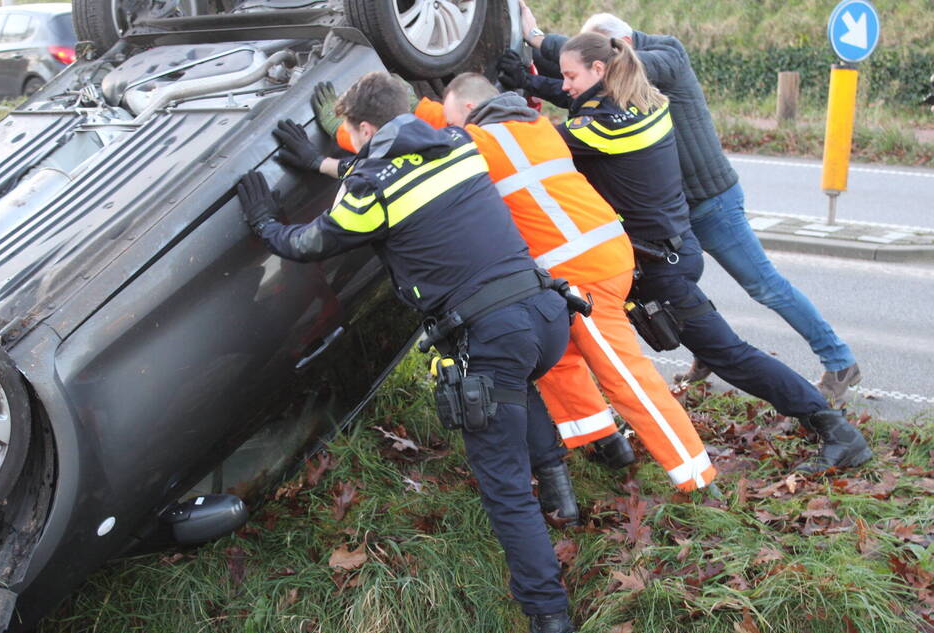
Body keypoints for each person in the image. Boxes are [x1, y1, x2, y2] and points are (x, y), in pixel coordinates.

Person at [239, 71, 575, 633]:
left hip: (491, 332)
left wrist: (265, 224)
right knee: (518, 383)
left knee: (502, 488)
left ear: (367, 130)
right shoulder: (456, 144)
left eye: (357, 136)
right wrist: (323, 163)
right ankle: (561, 495)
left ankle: (551, 627)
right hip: (543, 313)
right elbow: (398, 178)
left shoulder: (370, 182)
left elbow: (315, 240)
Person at [317, 74, 719, 498]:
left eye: (456, 121)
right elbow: (429, 117)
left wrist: (343, 133)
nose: (452, 129)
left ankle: (697, 477)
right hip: (594, 256)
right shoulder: (534, 125)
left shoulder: (480, 144)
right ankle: (604, 445)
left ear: (470, 114)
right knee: (559, 361)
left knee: (627, 379)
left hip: (582, 270)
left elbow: (405, 146)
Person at [499, 4, 862, 402]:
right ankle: (705, 351)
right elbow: (585, 93)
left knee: (764, 286)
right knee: (679, 288)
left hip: (711, 201)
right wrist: (535, 82)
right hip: (672, 211)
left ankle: (839, 360)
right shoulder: (617, 87)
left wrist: (538, 39)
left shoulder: (666, 55)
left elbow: (599, 84)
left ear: (619, 48)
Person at [547, 32, 873, 475]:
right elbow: (577, 110)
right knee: (595, 343)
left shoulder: (606, 125)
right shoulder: (643, 104)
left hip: (662, 268)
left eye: (570, 76)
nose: (564, 85)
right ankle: (600, 440)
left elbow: (543, 141)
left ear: (599, 71)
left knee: (729, 355)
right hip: (674, 252)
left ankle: (835, 430)